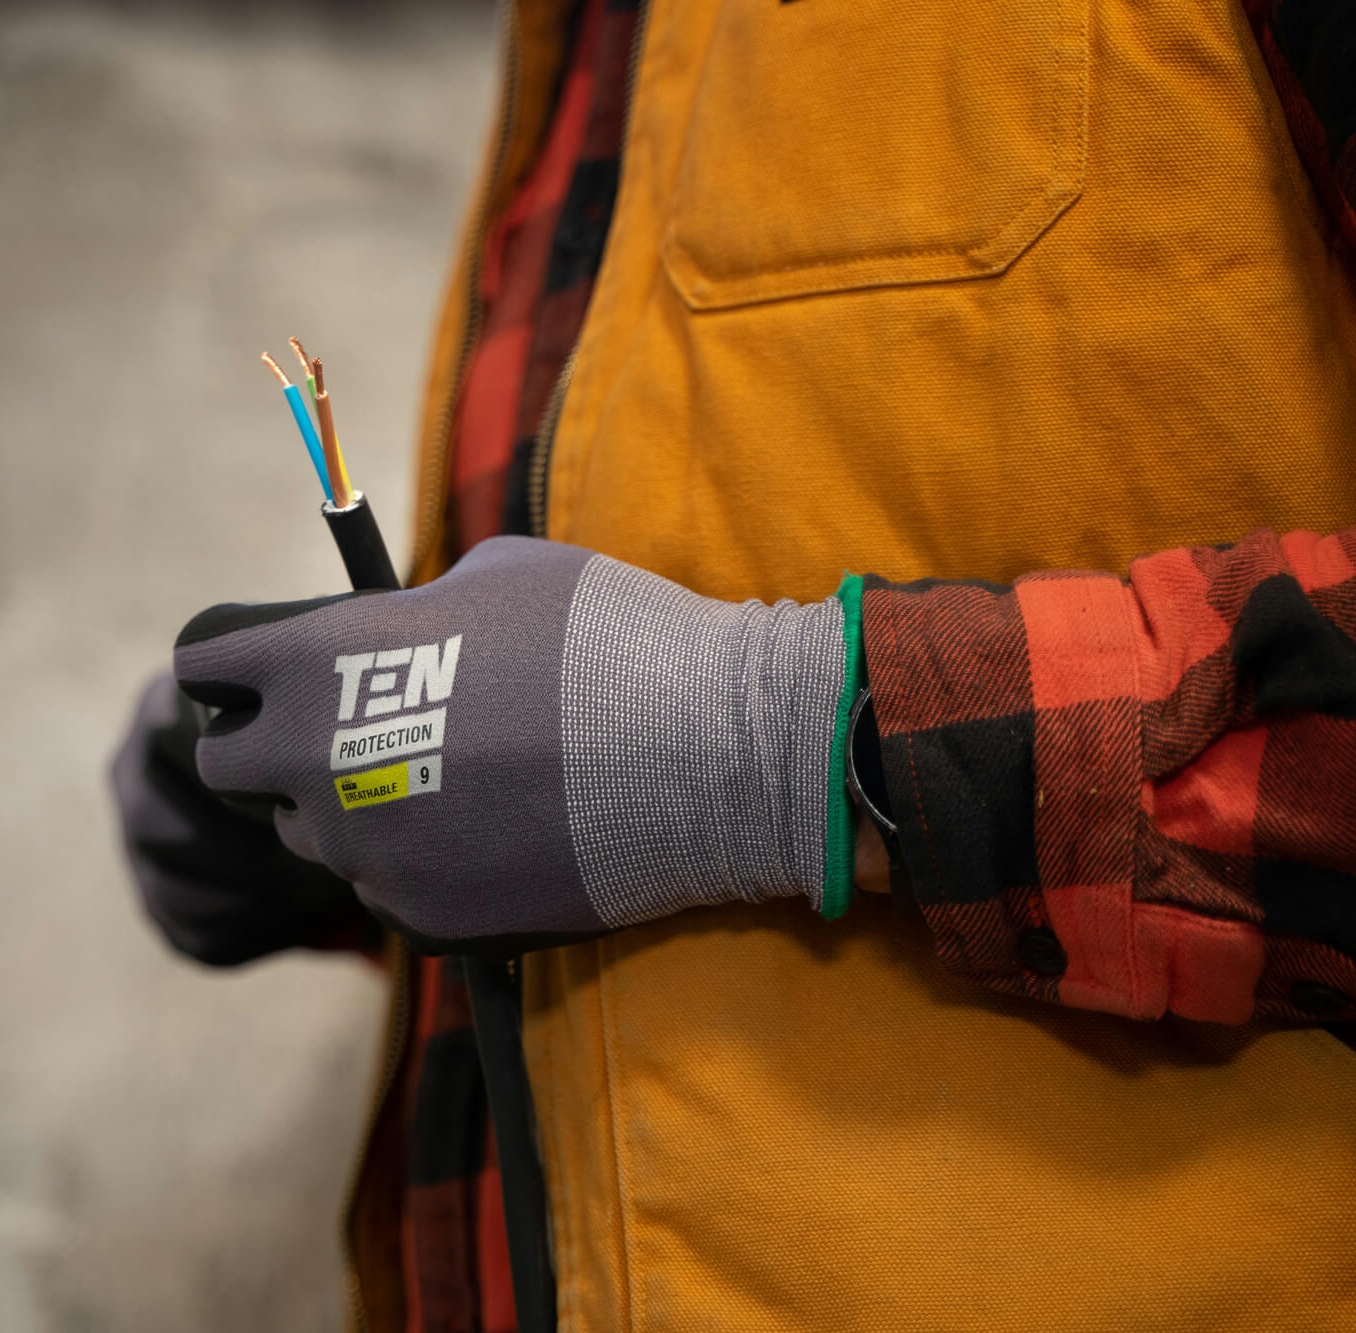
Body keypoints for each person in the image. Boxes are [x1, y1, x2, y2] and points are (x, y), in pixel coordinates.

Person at [112, 0, 1356, 1328]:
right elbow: (602, 786)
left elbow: (666, 737)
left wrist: (781, 740)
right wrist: (348, 827)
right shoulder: (588, 48)